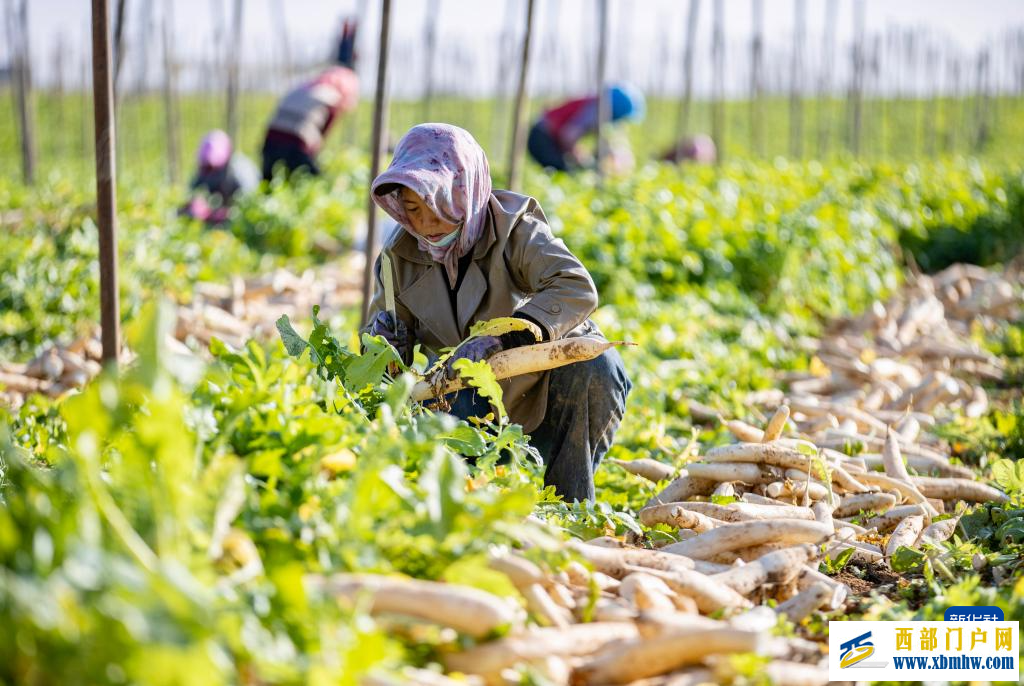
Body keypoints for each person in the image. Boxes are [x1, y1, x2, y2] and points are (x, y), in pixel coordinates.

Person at [363, 124, 631, 502]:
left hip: (541, 392)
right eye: (411, 209)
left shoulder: (515, 229)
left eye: (437, 206)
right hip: (462, 400)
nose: (425, 224)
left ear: (463, 191)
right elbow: (382, 368)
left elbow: (575, 286)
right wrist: (383, 347)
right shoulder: (397, 259)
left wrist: (506, 337)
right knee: (460, 498)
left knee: (595, 368)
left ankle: (571, 506)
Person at [260, 24, 359, 181]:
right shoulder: (332, 95)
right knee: (313, 181)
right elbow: (322, 133)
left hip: (271, 139)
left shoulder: (311, 87)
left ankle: (348, 30)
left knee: (270, 182)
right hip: (295, 144)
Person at [527, 83, 645, 173]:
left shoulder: (594, 106)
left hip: (547, 136)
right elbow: (568, 136)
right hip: (542, 137)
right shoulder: (593, 109)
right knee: (563, 172)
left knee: (567, 170)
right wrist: (582, 157)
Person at [181, 130, 259, 224]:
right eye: (206, 168)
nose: (210, 172)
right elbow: (192, 192)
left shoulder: (240, 172)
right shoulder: (204, 171)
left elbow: (251, 202)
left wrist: (228, 212)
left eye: (212, 168)